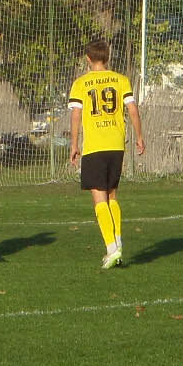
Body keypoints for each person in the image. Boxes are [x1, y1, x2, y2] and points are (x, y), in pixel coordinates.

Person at [68, 40, 145, 267]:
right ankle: (117, 244)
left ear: (88, 59)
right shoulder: (121, 80)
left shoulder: (81, 83)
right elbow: (132, 109)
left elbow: (76, 115)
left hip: (95, 145)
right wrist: (139, 136)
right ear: (108, 57)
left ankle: (112, 249)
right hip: (116, 144)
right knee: (112, 195)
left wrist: (74, 144)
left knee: (99, 197)